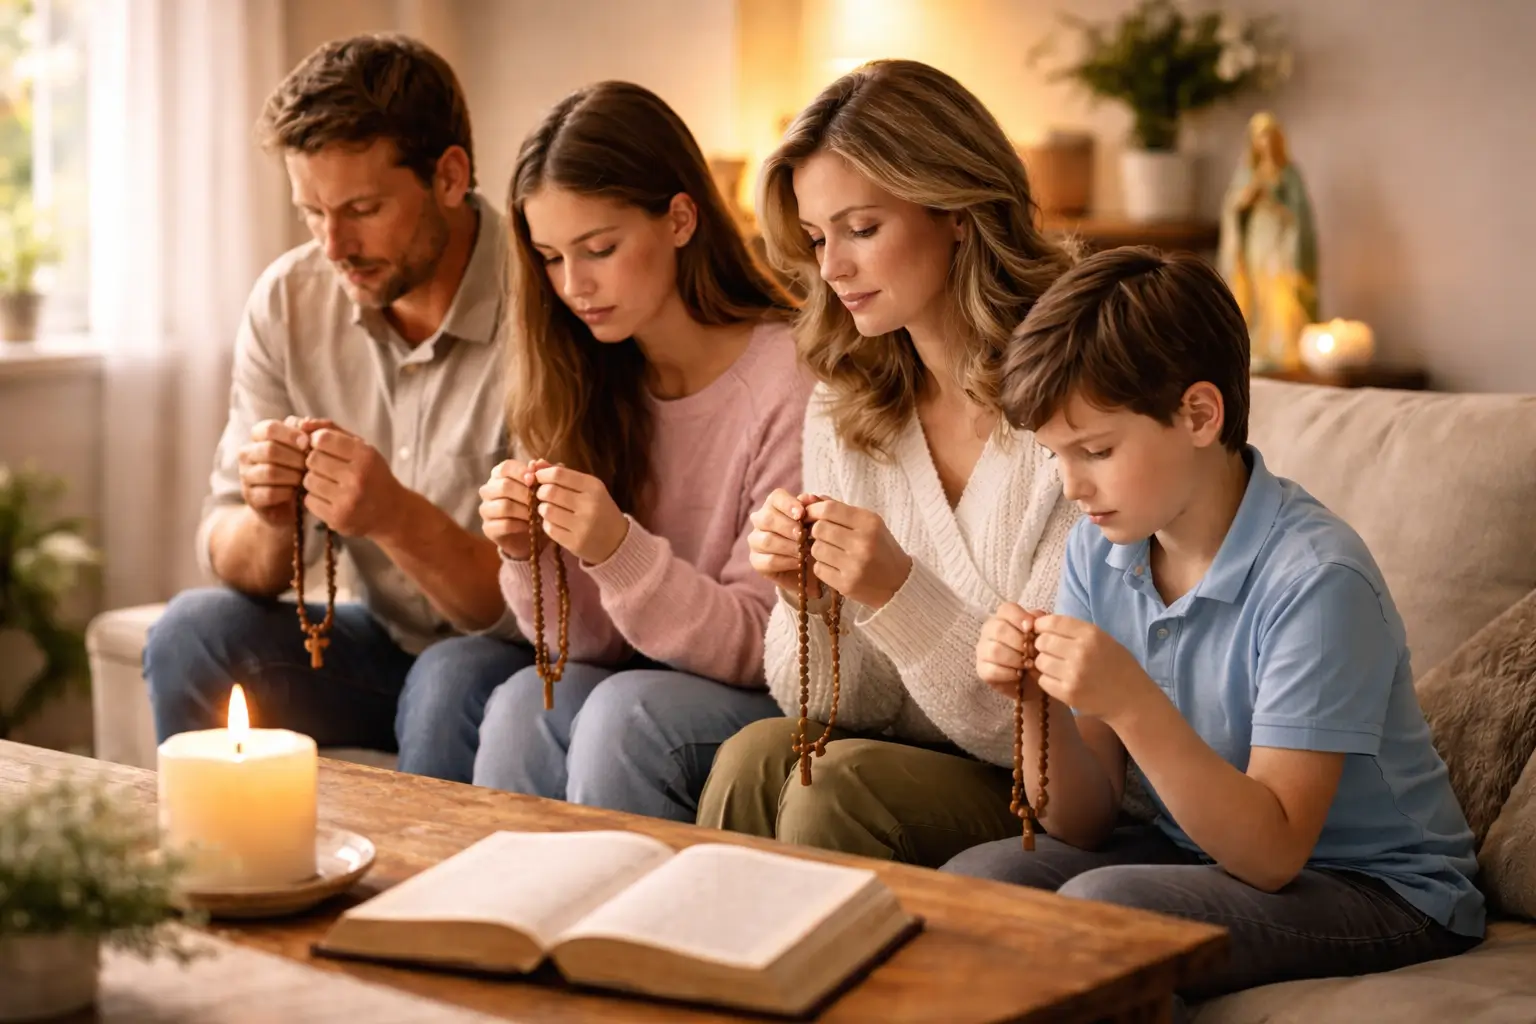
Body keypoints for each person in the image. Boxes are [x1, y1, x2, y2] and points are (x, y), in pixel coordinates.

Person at [946, 246, 1483, 1005]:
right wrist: (1033, 700)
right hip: (1200, 851)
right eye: (1056, 457)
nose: (1072, 487)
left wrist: (1130, 701)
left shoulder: (1317, 581)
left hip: (1379, 889)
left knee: (1106, 913)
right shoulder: (1100, 553)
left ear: (1200, 415)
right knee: (974, 885)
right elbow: (1085, 820)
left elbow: (1272, 855)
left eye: (1095, 450)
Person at [695, 59, 1079, 867]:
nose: (832, 269)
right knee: (753, 755)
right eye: (816, 239)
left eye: (861, 229)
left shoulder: (1076, 401)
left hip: (1057, 779)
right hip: (926, 753)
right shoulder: (849, 406)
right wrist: (811, 604)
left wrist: (895, 591)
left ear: (959, 213)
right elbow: (839, 705)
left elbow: (1039, 726)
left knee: (833, 787)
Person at [144, 34, 531, 782]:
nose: (334, 245)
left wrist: (392, 515)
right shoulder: (290, 301)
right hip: (375, 642)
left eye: (362, 208)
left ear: (449, 177)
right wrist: (268, 517)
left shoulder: (544, 303)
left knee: (447, 678)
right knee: (190, 632)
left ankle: (431, 902)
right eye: (310, 212)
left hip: (506, 652)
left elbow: (540, 607)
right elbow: (227, 546)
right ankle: (216, 886)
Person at [472, 81, 809, 821]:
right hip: (639, 678)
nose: (573, 286)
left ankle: (621, 932)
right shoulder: (578, 374)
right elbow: (584, 645)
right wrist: (532, 553)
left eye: (599, 249)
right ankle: (502, 922)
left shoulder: (788, 377)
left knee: (625, 714)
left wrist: (617, 547)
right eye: (551, 257)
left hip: (761, 689)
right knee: (524, 700)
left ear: (681, 218)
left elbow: (763, 644)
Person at [1217, 111, 1318, 371]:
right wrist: (1247, 198)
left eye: (1269, 135)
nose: (1265, 142)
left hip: (1281, 240)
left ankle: (1284, 345)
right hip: (1256, 239)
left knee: (1281, 289)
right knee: (1258, 289)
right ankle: (1260, 344)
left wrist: (1277, 204)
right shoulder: (1247, 173)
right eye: (1259, 136)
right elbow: (1233, 207)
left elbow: (1300, 212)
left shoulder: (1288, 174)